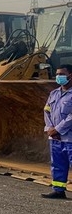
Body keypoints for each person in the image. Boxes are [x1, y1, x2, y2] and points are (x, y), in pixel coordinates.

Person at [41, 64, 72, 199]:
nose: (58, 77)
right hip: (55, 138)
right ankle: (58, 190)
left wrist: (57, 129)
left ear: (70, 76)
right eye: (57, 74)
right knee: (57, 165)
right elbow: (47, 111)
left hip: (69, 138)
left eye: (62, 74)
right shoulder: (53, 93)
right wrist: (50, 129)